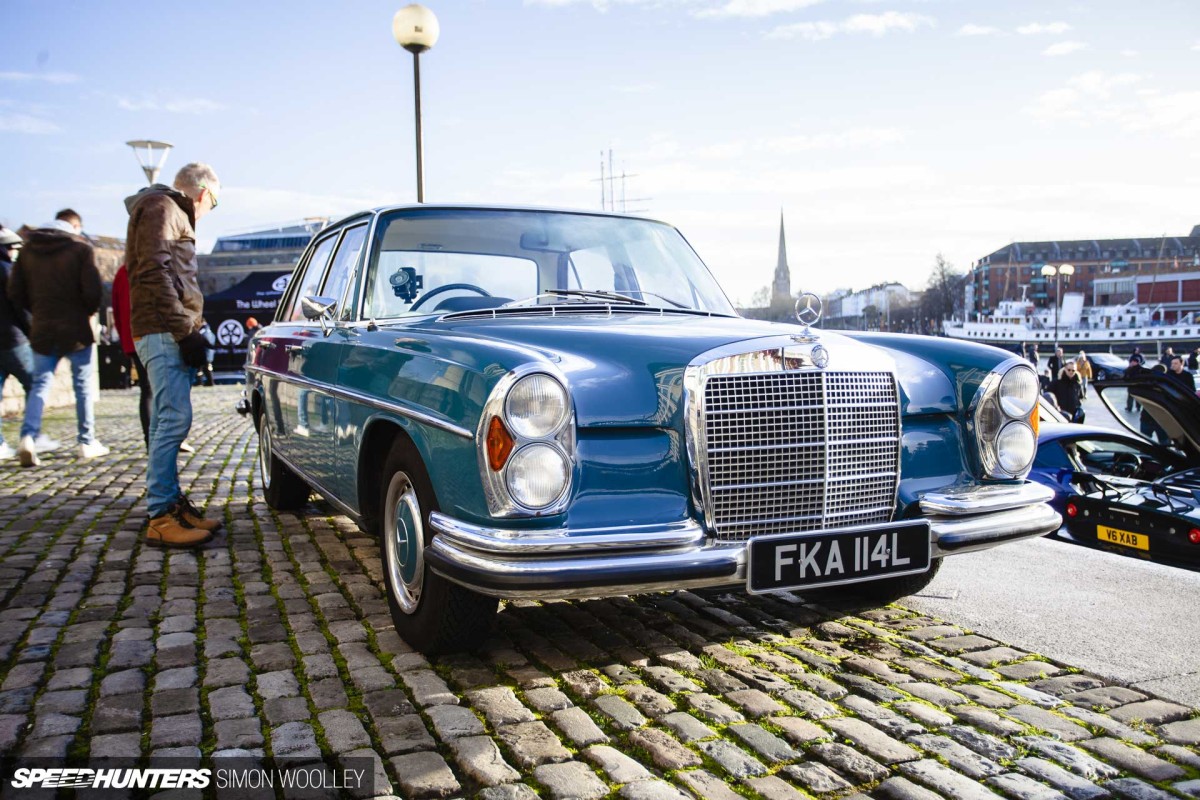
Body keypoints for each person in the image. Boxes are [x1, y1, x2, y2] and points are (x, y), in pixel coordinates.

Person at [126, 163, 223, 547]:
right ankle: (161, 515)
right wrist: (185, 331)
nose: (211, 209)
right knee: (172, 419)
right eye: (215, 201)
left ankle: (171, 504)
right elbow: (155, 273)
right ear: (203, 193)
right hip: (163, 330)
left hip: (167, 329)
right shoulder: (162, 207)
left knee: (170, 420)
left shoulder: (165, 209)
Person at [7, 209, 109, 466]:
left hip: (42, 327)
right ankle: (86, 441)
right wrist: (85, 311)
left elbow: (15, 292)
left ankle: (28, 437)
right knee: (82, 386)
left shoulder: (28, 250)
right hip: (75, 328)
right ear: (74, 225)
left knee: (40, 384)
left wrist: (37, 311)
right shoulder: (80, 249)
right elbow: (93, 290)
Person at [0, 228, 34, 461]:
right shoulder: (7, 270)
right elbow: (20, 306)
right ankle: (30, 436)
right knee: (36, 385)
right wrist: (33, 330)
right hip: (13, 339)